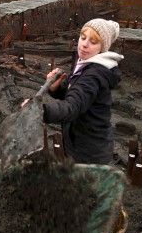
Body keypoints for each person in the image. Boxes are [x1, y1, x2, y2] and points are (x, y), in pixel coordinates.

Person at [42, 18, 123, 165]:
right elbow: (73, 91)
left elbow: (73, 105)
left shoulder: (94, 75)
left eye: (93, 42)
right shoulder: (84, 62)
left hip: (89, 151)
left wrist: (40, 110)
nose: (84, 45)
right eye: (83, 37)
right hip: (79, 140)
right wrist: (55, 89)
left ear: (102, 47)